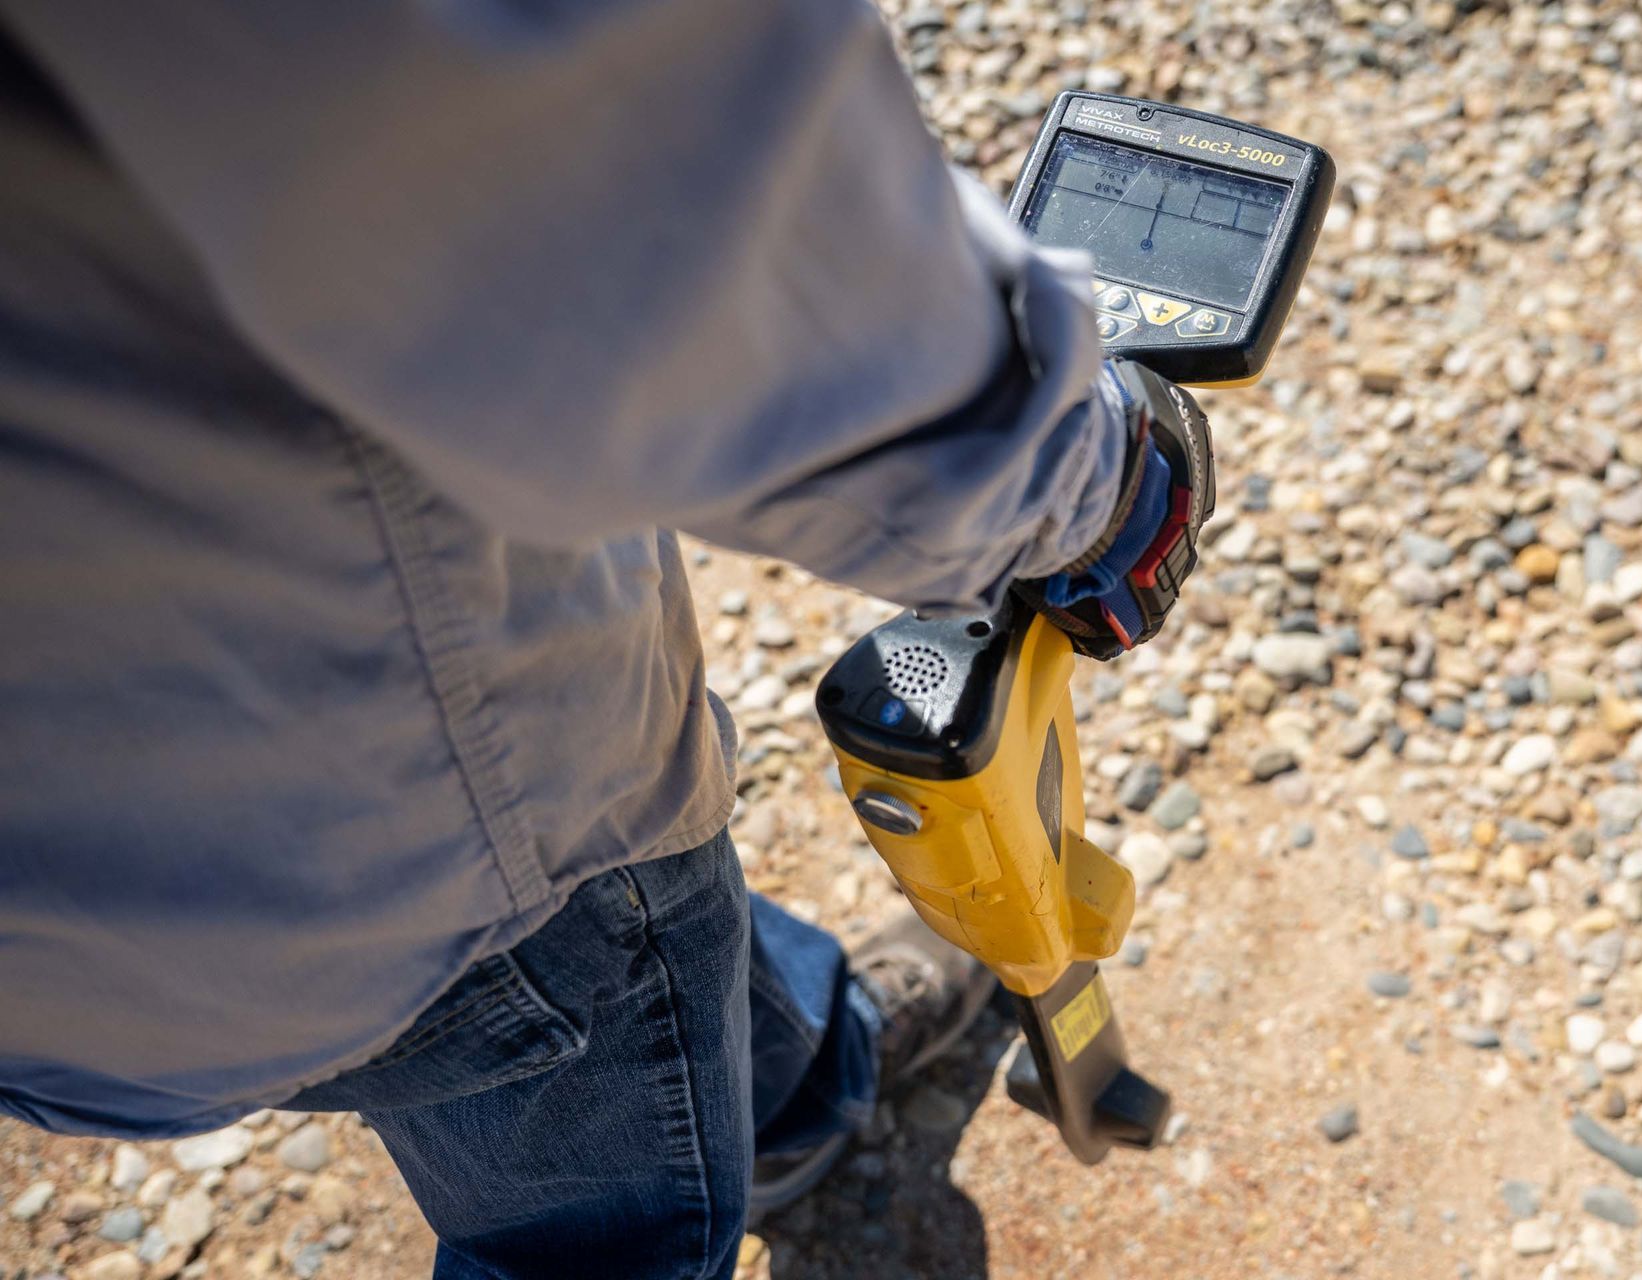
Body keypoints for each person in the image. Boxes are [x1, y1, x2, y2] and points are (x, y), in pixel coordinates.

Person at [0, 3, 1211, 1277]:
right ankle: (733, 1126)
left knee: (648, 969)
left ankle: (795, 1091)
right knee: (580, 1182)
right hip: (414, 837)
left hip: (60, 933)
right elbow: (626, 182)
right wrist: (1081, 482)